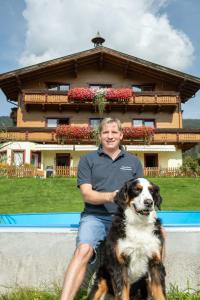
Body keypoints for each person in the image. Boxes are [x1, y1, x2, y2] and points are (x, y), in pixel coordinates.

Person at [61, 117, 143, 300]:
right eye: (106, 132)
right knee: (83, 250)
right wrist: (111, 196)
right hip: (95, 217)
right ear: (100, 136)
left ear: (121, 135)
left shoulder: (134, 162)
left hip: (125, 219)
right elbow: (87, 194)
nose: (110, 136)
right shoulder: (87, 160)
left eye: (114, 132)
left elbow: (140, 196)